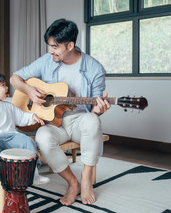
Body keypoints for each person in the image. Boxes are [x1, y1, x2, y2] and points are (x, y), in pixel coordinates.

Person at [10, 19, 111, 205]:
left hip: (80, 121)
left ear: (70, 45)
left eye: (55, 47)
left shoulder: (95, 69)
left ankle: (86, 178)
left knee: (92, 121)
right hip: (54, 123)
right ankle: (73, 183)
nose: (50, 51)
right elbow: (14, 78)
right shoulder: (47, 61)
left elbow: (95, 109)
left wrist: (99, 110)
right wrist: (29, 90)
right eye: (49, 46)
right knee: (42, 137)